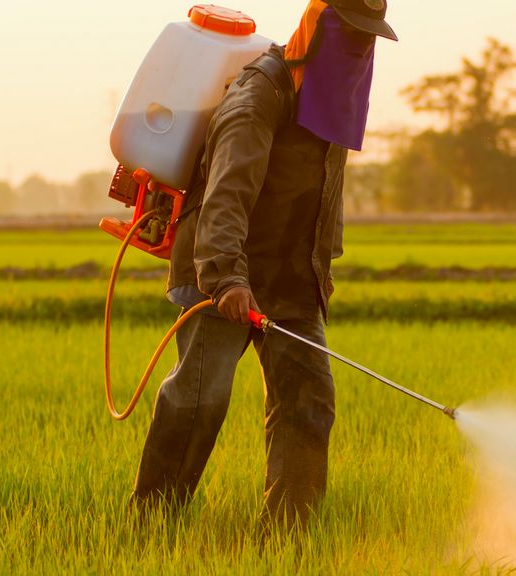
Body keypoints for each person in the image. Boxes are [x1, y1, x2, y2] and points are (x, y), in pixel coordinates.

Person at [130, 0, 397, 527]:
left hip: (290, 279)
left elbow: (325, 200)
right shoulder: (258, 98)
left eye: (369, 39)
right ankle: (152, 528)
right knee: (200, 399)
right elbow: (226, 197)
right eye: (351, 34)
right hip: (221, 270)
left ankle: (288, 542)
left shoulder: (330, 105)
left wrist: (319, 274)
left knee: (309, 402)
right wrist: (228, 277)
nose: (360, 49)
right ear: (318, 28)